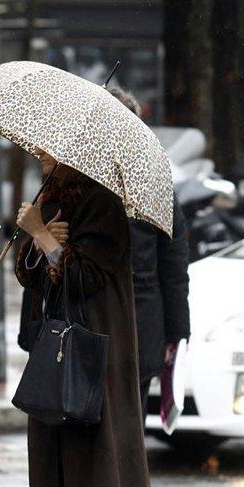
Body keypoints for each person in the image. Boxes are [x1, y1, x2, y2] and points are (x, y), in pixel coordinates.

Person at [15, 150, 149, 486]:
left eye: (49, 149)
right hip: (55, 345)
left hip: (92, 344)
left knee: (91, 453)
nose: (40, 153)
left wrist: (42, 235)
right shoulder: (50, 199)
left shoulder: (102, 202)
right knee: (53, 447)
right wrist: (38, 239)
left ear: (71, 153)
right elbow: (31, 277)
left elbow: (84, 277)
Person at [108, 87, 191, 420]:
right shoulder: (154, 185)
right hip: (141, 331)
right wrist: (177, 334)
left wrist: (178, 334)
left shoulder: (77, 186)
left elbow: (173, 267)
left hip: (106, 330)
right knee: (129, 433)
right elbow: (174, 268)